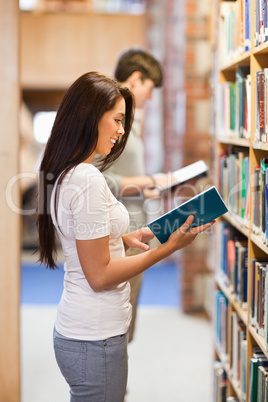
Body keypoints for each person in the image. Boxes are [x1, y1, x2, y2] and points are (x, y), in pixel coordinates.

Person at [37, 71, 214, 402]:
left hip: (85, 333)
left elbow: (87, 238)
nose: (121, 131)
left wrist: (133, 235)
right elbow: (99, 275)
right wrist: (166, 249)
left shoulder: (69, 172)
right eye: (117, 120)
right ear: (90, 116)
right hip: (94, 337)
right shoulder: (87, 179)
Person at [94, 48, 172, 343]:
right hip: (119, 234)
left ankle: (117, 387)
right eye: (150, 90)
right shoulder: (109, 122)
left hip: (134, 230)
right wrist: (148, 180)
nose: (150, 98)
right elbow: (95, 179)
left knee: (127, 322)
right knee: (118, 324)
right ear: (136, 79)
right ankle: (113, 387)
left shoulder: (129, 122)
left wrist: (149, 188)